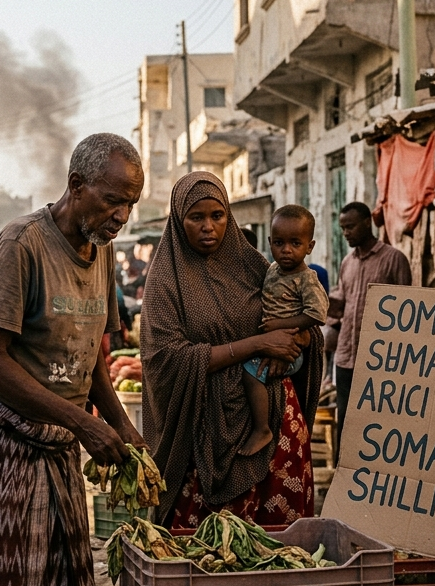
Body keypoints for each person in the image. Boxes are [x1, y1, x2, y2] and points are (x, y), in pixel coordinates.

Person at [0, 133, 145, 586]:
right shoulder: (21, 244)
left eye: (131, 204)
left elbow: (92, 353)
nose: (121, 215)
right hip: (6, 443)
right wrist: (82, 423)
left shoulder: (100, 249)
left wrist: (119, 423)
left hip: (57, 445)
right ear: (76, 185)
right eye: (113, 200)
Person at [141, 173, 323, 532]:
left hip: (275, 424)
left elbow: (304, 322)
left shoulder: (256, 266)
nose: (209, 227)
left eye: (218, 216)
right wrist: (256, 345)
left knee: (279, 545)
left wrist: (297, 340)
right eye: (197, 218)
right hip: (200, 433)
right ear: (179, 220)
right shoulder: (165, 281)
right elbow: (165, 358)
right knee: (209, 548)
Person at [239, 205, 329, 456]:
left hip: (290, 348)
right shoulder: (271, 269)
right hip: (272, 342)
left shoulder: (306, 278)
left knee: (250, 372)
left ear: (309, 247)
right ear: (269, 242)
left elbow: (317, 314)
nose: (286, 250)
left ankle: (262, 429)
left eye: (295, 243)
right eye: (279, 243)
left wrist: (280, 326)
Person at [329, 201, 411, 434]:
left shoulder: (394, 259)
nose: (345, 233)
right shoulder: (347, 262)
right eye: (343, 228)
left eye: (351, 227)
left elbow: (408, 313)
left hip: (380, 361)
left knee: (379, 424)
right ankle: (342, 470)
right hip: (346, 357)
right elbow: (342, 305)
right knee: (345, 422)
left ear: (368, 223)